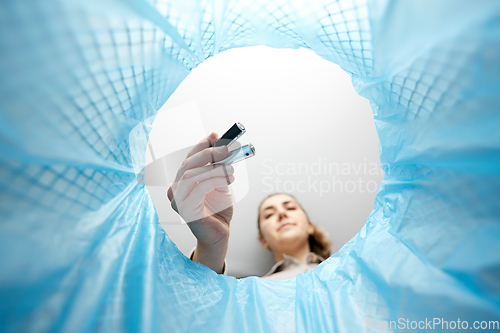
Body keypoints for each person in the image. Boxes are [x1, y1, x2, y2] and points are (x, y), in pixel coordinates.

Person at [167, 132, 331, 280]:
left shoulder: (347, 269)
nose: (282, 214)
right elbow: (198, 307)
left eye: (290, 208)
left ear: (310, 227)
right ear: (263, 240)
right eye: (269, 215)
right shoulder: (251, 293)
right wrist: (211, 245)